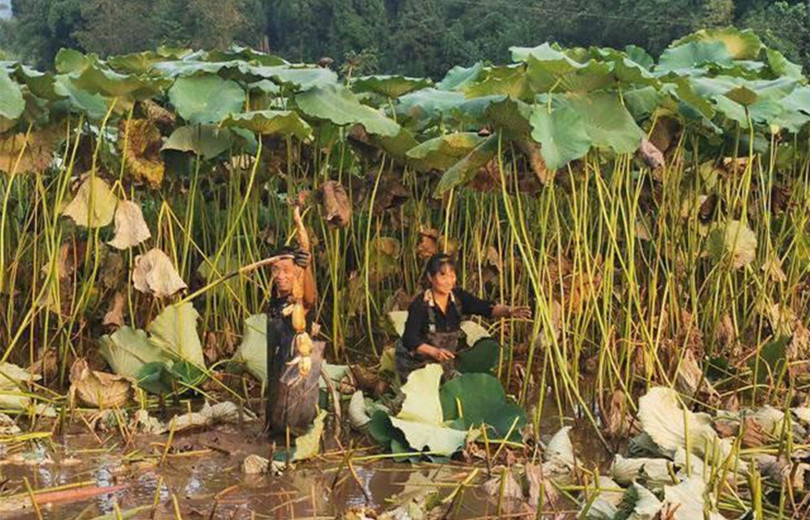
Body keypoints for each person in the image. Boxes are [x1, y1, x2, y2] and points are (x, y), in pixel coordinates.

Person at [396, 253, 531, 382]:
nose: (448, 281)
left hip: (444, 364)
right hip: (416, 366)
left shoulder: (459, 298)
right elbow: (410, 339)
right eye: (443, 276)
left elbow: (484, 307)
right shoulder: (420, 305)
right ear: (430, 277)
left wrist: (508, 310)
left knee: (462, 388)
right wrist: (434, 352)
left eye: (452, 275)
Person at [264, 206, 321, 436]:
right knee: (275, 426)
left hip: (298, 379)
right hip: (276, 374)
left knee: (293, 428)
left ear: (296, 271)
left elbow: (310, 298)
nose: (280, 276)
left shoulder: (300, 299)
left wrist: (305, 268)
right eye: (275, 270)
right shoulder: (275, 299)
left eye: (286, 270)